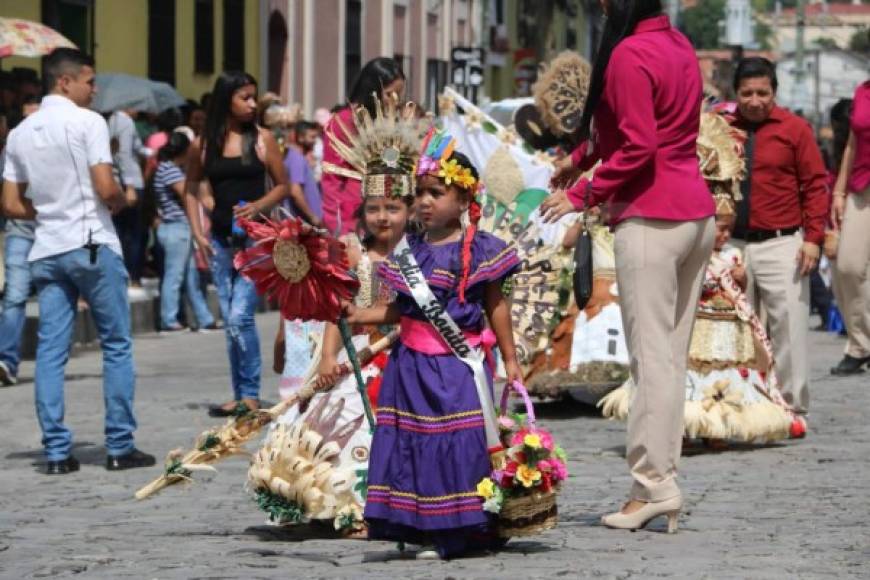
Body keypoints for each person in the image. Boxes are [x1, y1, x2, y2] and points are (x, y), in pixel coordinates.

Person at [541, 0, 715, 532]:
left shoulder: (627, 54)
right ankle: (656, 480)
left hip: (651, 217)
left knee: (651, 360)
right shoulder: (679, 45)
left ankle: (655, 485)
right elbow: (643, 133)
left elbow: (638, 147)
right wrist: (579, 160)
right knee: (668, 359)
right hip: (695, 215)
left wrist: (583, 193)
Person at [346, 130, 522, 559]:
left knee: (456, 446)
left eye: (436, 193)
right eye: (420, 193)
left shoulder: (479, 250)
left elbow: (495, 306)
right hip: (410, 366)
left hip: (455, 367)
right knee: (412, 444)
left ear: (463, 200)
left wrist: (512, 359)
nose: (425, 201)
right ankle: (419, 525)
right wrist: (356, 316)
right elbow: (404, 312)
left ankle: (456, 531)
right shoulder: (410, 251)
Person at [1, 48, 155, 474]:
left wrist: (49, 211)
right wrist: (122, 199)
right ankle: (120, 445)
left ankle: (55, 452)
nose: (95, 89)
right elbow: (105, 186)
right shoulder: (88, 122)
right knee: (117, 344)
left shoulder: (19, 132)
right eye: (89, 80)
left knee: (51, 352)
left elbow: (10, 204)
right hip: (90, 241)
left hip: (47, 248)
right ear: (64, 81)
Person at [600, 196, 794, 445]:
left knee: (723, 375)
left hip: (725, 331)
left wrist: (741, 279)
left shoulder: (733, 255)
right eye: (721, 229)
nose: (725, 236)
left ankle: (718, 427)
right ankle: (684, 425)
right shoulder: (693, 252)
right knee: (692, 374)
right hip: (696, 323)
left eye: (729, 231)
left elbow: (741, 291)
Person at [185, 71, 297, 416]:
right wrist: (196, 230)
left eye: (253, 97)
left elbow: (283, 185)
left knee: (239, 315)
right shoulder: (204, 144)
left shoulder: (263, 140)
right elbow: (191, 187)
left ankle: (249, 393)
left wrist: (259, 206)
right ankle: (240, 393)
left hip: (256, 238)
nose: (252, 104)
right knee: (231, 320)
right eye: (244, 98)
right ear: (226, 100)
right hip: (220, 239)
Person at [726, 58, 828, 421]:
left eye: (762, 93)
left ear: (775, 92)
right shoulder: (722, 129)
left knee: (788, 328)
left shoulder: (795, 129)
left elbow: (816, 184)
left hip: (782, 242)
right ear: (735, 93)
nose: (754, 101)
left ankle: (791, 407)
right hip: (731, 245)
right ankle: (739, 404)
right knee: (733, 328)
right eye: (747, 93)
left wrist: (814, 238)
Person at [321, 58, 405, 235]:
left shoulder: (394, 125)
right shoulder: (342, 123)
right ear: (371, 90)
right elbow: (332, 181)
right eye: (389, 94)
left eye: (399, 95)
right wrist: (339, 228)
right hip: (351, 220)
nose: (395, 101)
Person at [152, 130, 217, 332]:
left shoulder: (170, 168)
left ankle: (204, 318)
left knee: (191, 277)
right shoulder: (169, 169)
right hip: (175, 228)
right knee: (175, 276)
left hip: (179, 228)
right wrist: (201, 180)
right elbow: (187, 192)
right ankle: (169, 319)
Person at [830, 79, 870, 375]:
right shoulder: (863, 91)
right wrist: (839, 191)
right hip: (861, 191)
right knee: (847, 267)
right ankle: (861, 343)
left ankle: (859, 347)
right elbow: (852, 144)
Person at [0, 96, 40, 386]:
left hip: (57, 232)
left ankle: (51, 363)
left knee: (54, 298)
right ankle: (6, 360)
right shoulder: (12, 149)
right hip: (20, 231)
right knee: (14, 296)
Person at [108, 107, 151, 287]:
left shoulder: (110, 120)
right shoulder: (123, 120)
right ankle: (132, 276)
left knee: (119, 231)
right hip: (129, 182)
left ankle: (121, 274)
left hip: (117, 180)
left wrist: (152, 152)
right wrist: (130, 185)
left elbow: (136, 148)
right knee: (133, 233)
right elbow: (123, 154)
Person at [284, 120, 323, 221]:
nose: (315, 141)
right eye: (312, 137)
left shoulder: (298, 157)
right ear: (301, 138)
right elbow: (295, 191)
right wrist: (312, 217)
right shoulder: (297, 159)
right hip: (305, 223)